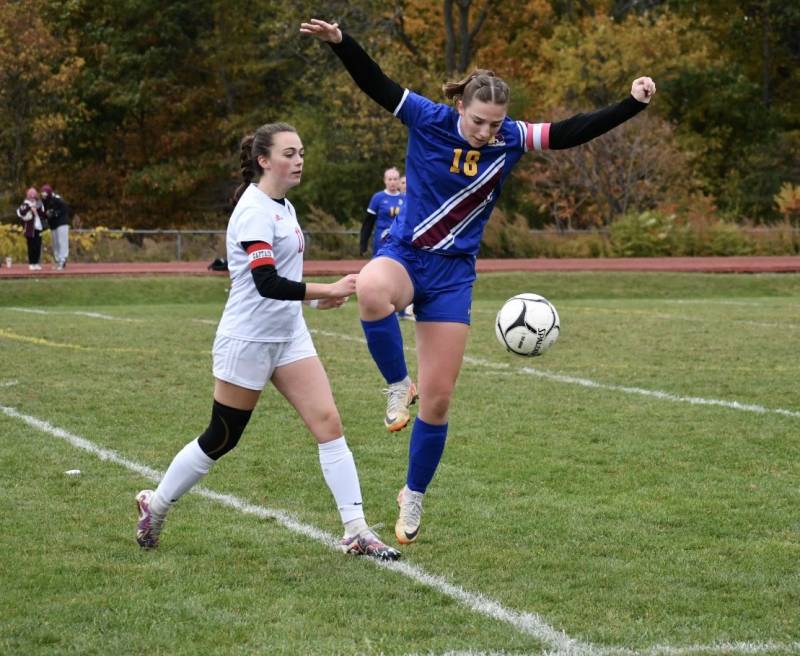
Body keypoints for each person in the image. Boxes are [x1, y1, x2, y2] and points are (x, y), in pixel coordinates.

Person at [301, 18, 656, 545]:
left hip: (452, 276)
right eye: (480, 121)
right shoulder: (429, 118)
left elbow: (571, 131)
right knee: (373, 289)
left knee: (440, 402)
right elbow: (376, 84)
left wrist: (631, 103)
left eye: (496, 123)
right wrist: (341, 44)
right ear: (461, 108)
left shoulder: (510, 138)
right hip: (406, 254)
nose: (488, 132)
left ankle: (413, 494)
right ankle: (399, 385)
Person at [135, 121, 400, 561]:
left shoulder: (283, 206)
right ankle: (155, 505)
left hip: (288, 335)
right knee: (222, 436)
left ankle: (356, 529)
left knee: (329, 425)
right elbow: (265, 281)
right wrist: (329, 290)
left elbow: (286, 279)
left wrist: (314, 305)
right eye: (289, 153)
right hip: (250, 339)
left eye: (301, 153)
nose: (298, 161)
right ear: (264, 160)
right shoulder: (256, 210)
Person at [359, 167, 403, 258]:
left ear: (399, 181)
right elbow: (368, 223)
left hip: (399, 240)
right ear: (385, 181)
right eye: (389, 179)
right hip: (381, 240)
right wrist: (363, 244)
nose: (392, 182)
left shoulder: (405, 198)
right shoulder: (378, 197)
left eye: (395, 179)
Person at [41, 184, 70, 269]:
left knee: (62, 241)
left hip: (62, 223)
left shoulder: (56, 199)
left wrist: (55, 213)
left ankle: (62, 259)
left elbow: (65, 208)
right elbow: (45, 212)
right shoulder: (44, 201)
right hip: (53, 224)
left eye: (45, 193)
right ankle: (58, 260)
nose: (43, 195)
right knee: (55, 243)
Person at [16, 187, 45, 270]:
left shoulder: (39, 203)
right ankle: (32, 263)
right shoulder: (25, 204)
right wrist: (30, 208)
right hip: (30, 229)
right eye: (30, 194)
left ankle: (36, 263)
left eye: (33, 194)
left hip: (38, 228)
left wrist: (37, 211)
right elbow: (21, 212)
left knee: (38, 246)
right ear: (28, 195)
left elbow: (43, 214)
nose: (32, 196)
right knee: (31, 246)